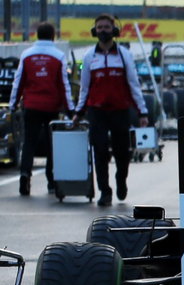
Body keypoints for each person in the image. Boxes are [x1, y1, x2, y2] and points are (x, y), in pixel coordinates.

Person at [70, 14, 150, 208]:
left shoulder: (124, 55)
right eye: (99, 28)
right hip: (96, 111)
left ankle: (121, 180)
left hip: (120, 110)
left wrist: (143, 112)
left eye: (106, 27)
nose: (103, 31)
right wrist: (78, 112)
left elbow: (133, 85)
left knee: (122, 152)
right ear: (94, 31)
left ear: (114, 31)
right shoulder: (90, 56)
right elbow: (84, 88)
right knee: (99, 150)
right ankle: (105, 191)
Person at [9, 22, 71, 197]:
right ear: (53, 36)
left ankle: (24, 174)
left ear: (37, 35)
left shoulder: (27, 55)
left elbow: (18, 82)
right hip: (52, 107)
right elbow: (63, 85)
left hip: (31, 106)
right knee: (52, 145)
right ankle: (51, 181)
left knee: (29, 142)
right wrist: (70, 110)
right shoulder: (58, 56)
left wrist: (13, 104)